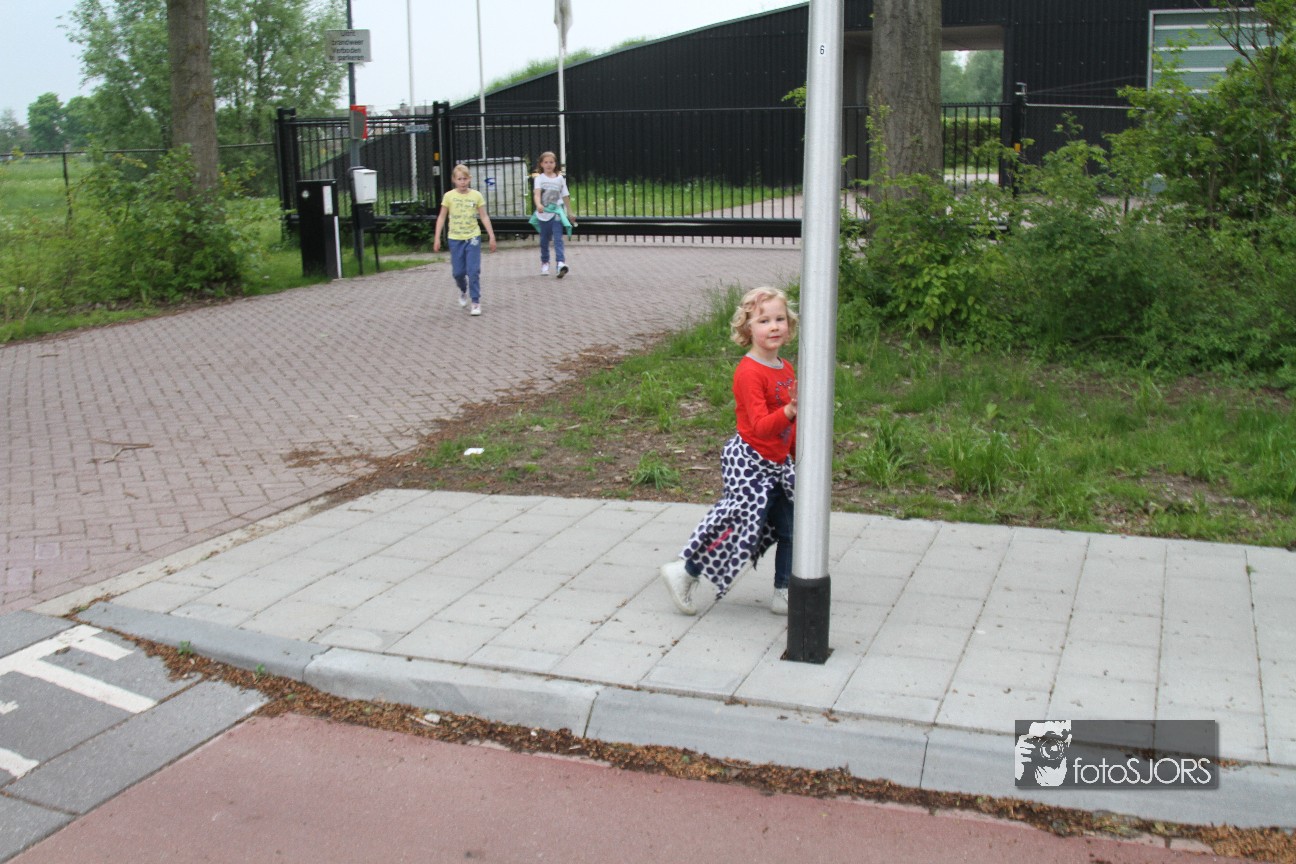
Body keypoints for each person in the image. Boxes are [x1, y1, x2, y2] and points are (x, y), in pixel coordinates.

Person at [660, 286, 798, 616]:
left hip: (777, 464)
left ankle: (784, 592)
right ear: (748, 328)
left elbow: (789, 426)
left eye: (779, 319)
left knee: (792, 529)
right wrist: (790, 411)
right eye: (764, 321)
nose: (774, 326)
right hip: (750, 463)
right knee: (739, 526)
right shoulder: (749, 372)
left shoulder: (786, 368)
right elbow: (761, 426)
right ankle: (685, 571)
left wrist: (795, 455)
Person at [433, 163, 496, 316]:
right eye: (459, 179)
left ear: (470, 179)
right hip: (455, 238)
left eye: (465, 179)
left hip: (472, 237)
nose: (462, 182)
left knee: (473, 271)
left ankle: (475, 301)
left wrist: (491, 236)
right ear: (454, 180)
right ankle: (463, 290)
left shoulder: (476, 196)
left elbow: (484, 216)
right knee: (458, 272)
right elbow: (441, 217)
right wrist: (437, 238)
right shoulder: (449, 196)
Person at [530, 151, 574, 278]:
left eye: (551, 162)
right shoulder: (539, 179)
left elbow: (565, 196)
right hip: (544, 214)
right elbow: (537, 194)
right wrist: (538, 204)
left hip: (556, 214)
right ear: (541, 164)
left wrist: (570, 211)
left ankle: (560, 263)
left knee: (558, 239)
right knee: (544, 240)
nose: (549, 165)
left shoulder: (560, 179)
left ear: (555, 164)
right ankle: (545, 262)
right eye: (546, 162)